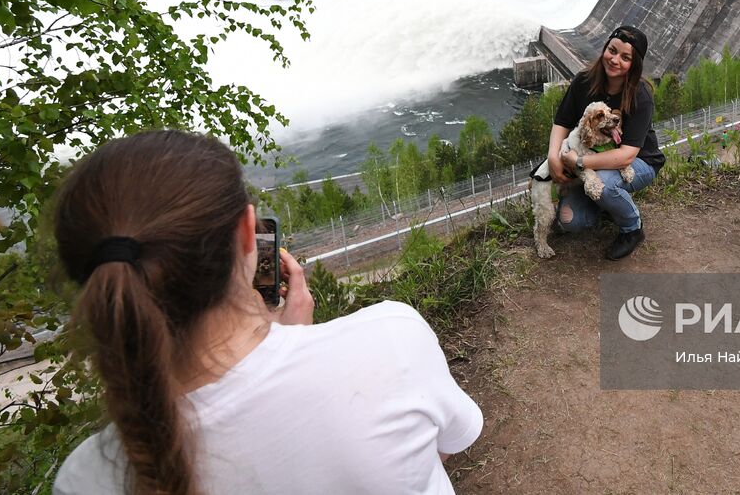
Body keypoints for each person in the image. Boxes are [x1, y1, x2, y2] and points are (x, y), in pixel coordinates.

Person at [52, 131, 483, 495]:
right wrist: (290, 344)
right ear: (247, 232)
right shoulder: (392, 339)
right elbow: (442, 448)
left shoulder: (83, 478)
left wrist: (284, 342)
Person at [549, 24, 665, 260]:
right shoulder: (584, 81)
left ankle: (632, 228)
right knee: (570, 220)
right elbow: (562, 122)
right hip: (592, 162)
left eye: (625, 57)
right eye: (612, 50)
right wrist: (553, 157)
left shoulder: (640, 96)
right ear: (605, 48)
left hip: (639, 162)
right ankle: (608, 206)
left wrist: (579, 161)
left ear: (634, 65)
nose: (615, 60)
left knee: (604, 184)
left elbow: (626, 156)